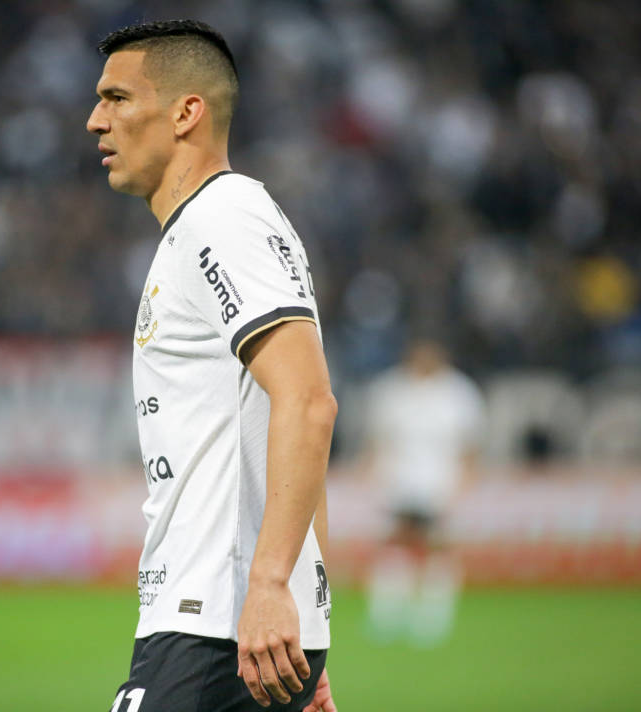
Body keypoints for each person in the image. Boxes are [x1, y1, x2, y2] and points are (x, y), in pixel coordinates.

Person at [86, 20, 338, 712]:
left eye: (116, 98)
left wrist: (272, 587)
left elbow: (310, 402)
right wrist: (304, 623)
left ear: (185, 112)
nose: (94, 121)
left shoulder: (221, 220)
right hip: (232, 627)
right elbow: (287, 420)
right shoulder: (210, 227)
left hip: (212, 627)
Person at [360, 338, 483, 646]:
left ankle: (433, 618)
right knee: (395, 545)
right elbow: (376, 440)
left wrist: (463, 486)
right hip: (398, 481)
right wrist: (374, 481)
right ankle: (386, 615)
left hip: (441, 483)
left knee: (439, 549)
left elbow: (470, 447)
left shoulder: (460, 393)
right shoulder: (390, 390)